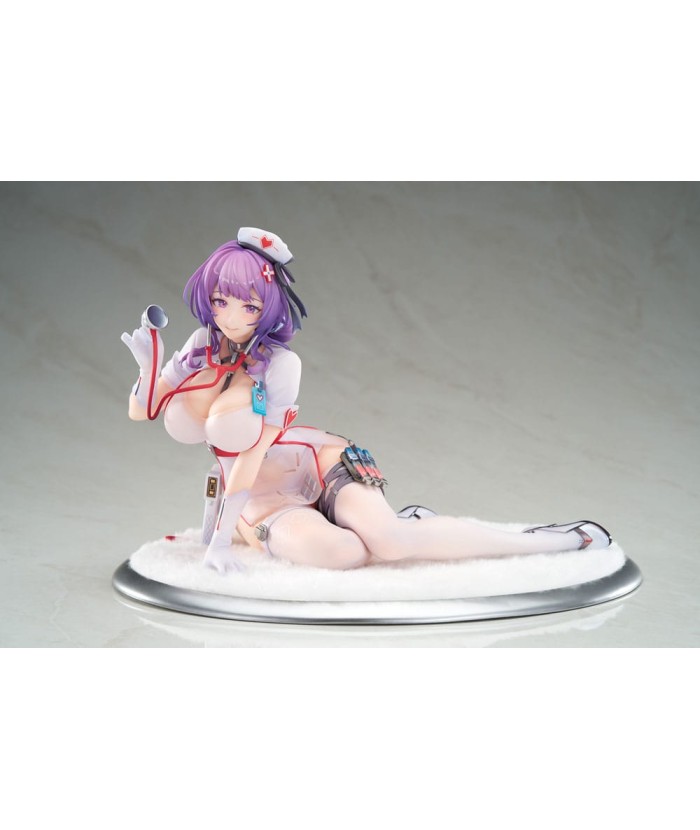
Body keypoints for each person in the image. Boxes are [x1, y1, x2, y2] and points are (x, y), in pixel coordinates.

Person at [122, 227, 612, 574]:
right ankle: (404, 524)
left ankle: (552, 541)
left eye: (248, 305)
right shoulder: (199, 348)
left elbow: (249, 453)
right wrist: (148, 368)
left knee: (392, 544)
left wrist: (222, 539)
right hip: (263, 499)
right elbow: (146, 410)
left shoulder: (281, 365)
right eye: (221, 300)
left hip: (317, 463)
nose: (230, 316)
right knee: (345, 555)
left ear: (267, 309)